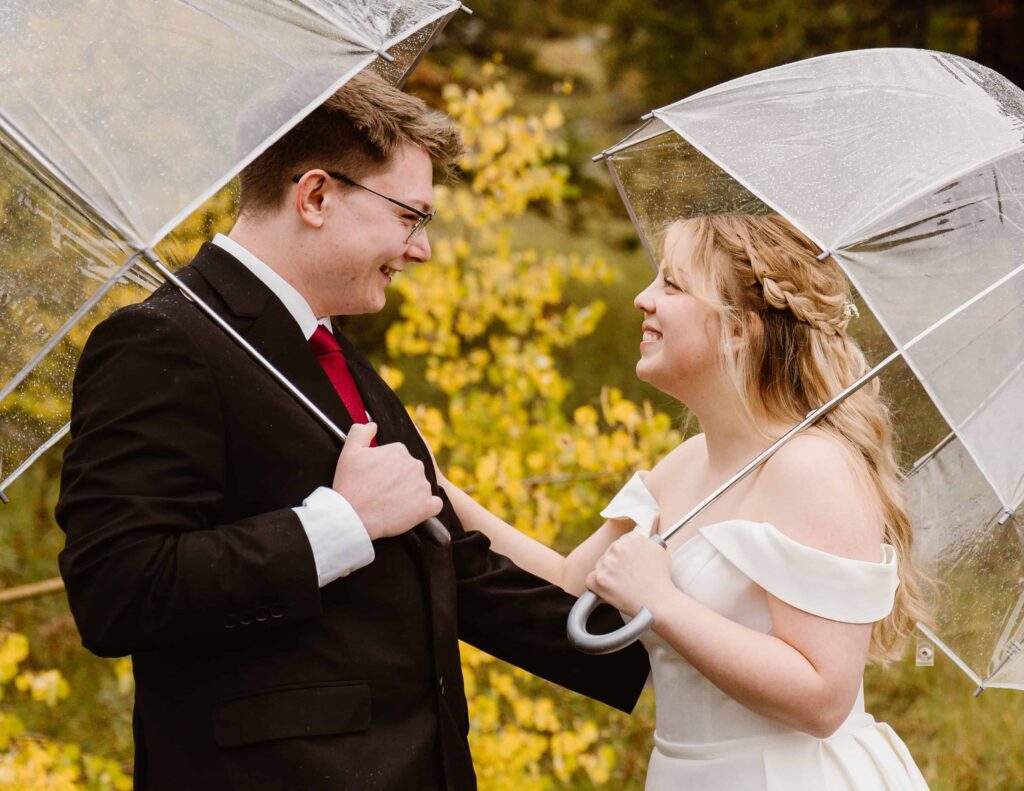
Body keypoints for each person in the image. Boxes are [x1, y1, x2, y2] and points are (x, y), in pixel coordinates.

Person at [55, 73, 649, 791]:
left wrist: (657, 644)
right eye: (410, 216)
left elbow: (444, 561)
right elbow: (119, 589)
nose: (421, 249)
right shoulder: (159, 341)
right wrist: (336, 523)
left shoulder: (343, 360)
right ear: (315, 196)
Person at [439, 214, 931, 789]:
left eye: (672, 285)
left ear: (739, 329)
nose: (642, 299)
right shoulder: (687, 461)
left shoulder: (813, 468)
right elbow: (569, 580)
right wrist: (437, 488)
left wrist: (662, 601)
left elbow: (823, 699)